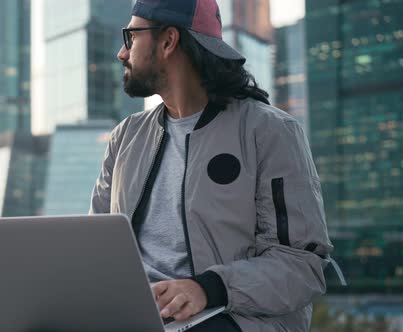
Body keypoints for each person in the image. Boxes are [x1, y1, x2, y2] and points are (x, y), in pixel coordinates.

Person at [90, 0, 338, 331]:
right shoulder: (126, 137)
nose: (123, 53)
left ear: (168, 41)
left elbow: (301, 265)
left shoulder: (269, 131)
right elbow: (96, 245)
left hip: (232, 317)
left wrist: (208, 289)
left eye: (131, 37)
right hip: (137, 315)